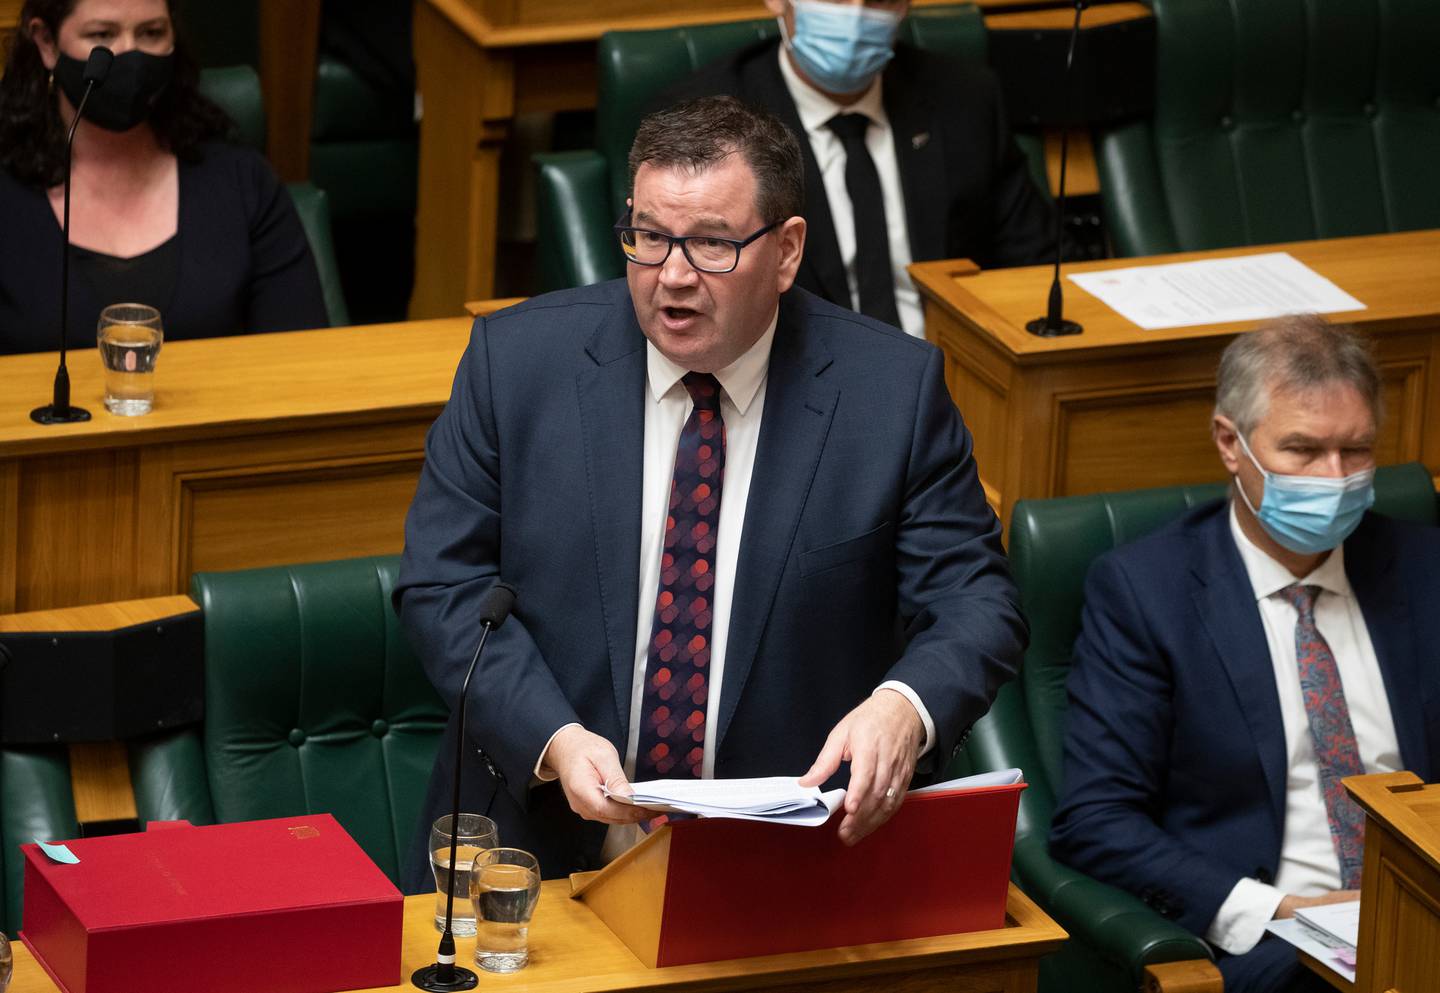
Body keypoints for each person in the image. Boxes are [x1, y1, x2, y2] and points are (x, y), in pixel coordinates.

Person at [394, 95, 1025, 886]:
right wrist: (552, 735)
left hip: (785, 870)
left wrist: (905, 704)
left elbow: (978, 603)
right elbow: (442, 586)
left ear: (788, 249)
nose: (674, 278)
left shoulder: (889, 394)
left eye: (713, 245)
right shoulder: (515, 364)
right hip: (536, 856)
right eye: (649, 238)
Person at [1049, 315, 1440, 993]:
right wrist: (1281, 911)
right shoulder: (1148, 592)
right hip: (1279, 942)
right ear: (1231, 442)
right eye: (1303, 450)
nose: (1336, 477)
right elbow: (1097, 820)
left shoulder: (1425, 569)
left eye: (1357, 450)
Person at [657, 0, 1055, 339]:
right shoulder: (704, 122)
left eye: (879, 0)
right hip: (790, 382)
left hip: (955, 370)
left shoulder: (965, 99)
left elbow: (1033, 264)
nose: (855, 16)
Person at [0, 0, 328, 355]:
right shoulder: (7, 192)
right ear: (47, 43)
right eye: (102, 34)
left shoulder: (242, 182)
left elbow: (302, 363)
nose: (130, 54)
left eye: (151, 33)